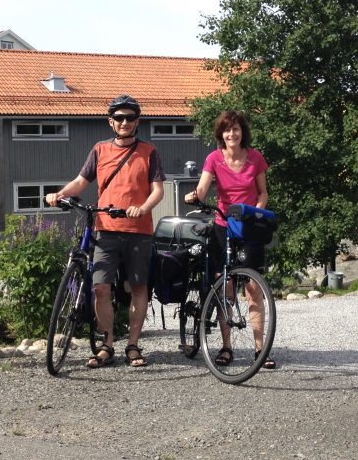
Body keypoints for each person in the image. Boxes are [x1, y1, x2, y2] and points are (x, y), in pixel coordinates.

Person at [46, 95, 165, 368]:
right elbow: (81, 181)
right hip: (106, 229)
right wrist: (59, 194)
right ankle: (107, 344)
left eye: (130, 118)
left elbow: (157, 190)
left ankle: (133, 345)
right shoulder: (100, 149)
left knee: (138, 286)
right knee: (100, 287)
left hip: (138, 230)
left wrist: (143, 207)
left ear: (137, 122)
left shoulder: (149, 151)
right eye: (119, 118)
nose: (125, 122)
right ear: (111, 121)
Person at [183, 110, 275, 369]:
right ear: (220, 134)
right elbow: (202, 188)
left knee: (254, 289)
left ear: (242, 132)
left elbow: (263, 192)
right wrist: (194, 196)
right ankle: (227, 347)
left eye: (236, 129)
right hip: (223, 226)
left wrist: (256, 211)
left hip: (248, 227)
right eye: (227, 130)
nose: (232, 134)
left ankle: (261, 350)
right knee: (226, 288)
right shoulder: (214, 158)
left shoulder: (255, 157)